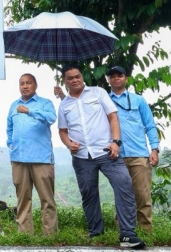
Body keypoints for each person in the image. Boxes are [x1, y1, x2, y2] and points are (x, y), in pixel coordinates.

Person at [57, 64, 145, 249]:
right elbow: (63, 131)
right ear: (64, 81)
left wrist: (116, 142)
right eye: (70, 78)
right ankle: (96, 233)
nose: (75, 80)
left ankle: (128, 235)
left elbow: (113, 117)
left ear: (82, 77)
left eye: (77, 76)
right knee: (88, 193)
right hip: (81, 156)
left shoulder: (98, 93)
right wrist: (67, 143)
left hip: (107, 151)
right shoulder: (64, 104)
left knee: (124, 184)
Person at [107, 66, 159, 233]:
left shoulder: (138, 100)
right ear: (108, 80)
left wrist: (155, 149)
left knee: (143, 196)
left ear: (126, 78)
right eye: (112, 76)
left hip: (139, 155)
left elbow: (150, 125)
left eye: (120, 75)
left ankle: (146, 232)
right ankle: (123, 233)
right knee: (121, 196)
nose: (116, 78)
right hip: (116, 156)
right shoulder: (105, 101)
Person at [6, 73, 58, 236]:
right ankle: (24, 234)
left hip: (41, 159)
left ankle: (49, 235)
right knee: (22, 199)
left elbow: (51, 118)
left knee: (47, 199)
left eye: (28, 83)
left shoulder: (45, 103)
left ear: (35, 85)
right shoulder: (14, 105)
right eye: (22, 83)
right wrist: (11, 144)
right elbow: (9, 128)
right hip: (19, 159)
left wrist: (29, 111)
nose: (25, 86)